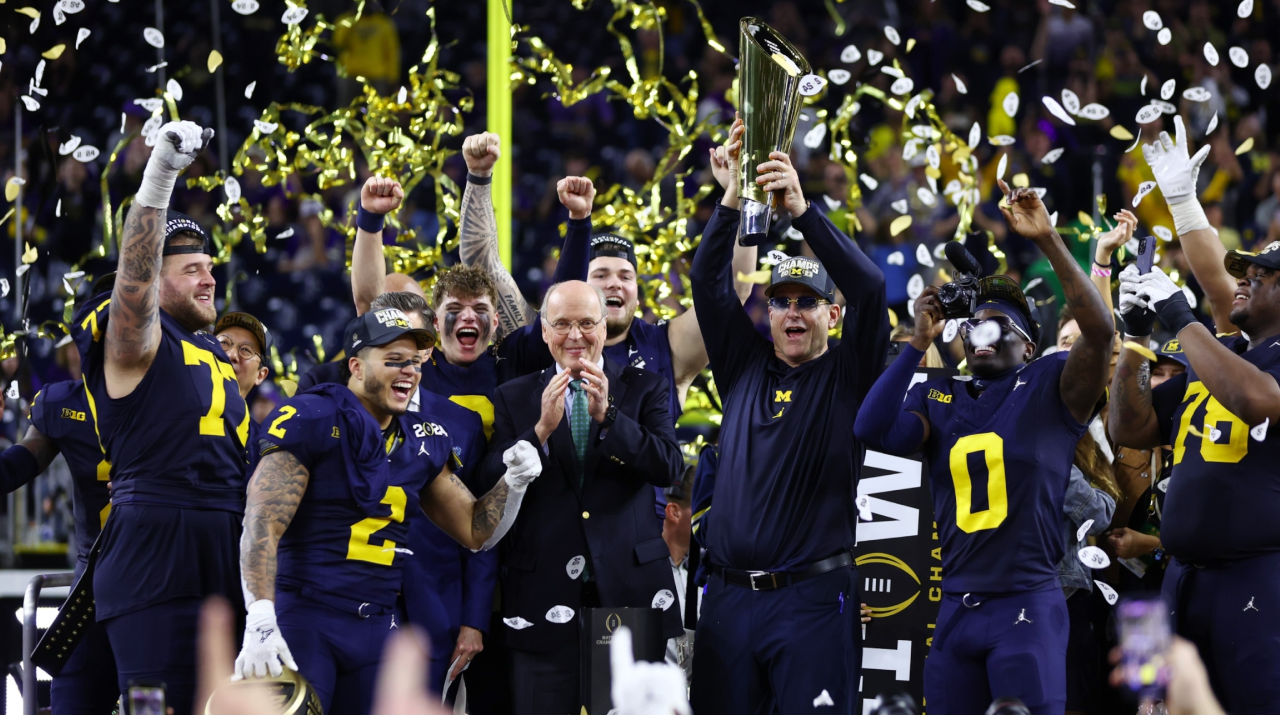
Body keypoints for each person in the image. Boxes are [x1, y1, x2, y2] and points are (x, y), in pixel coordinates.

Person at [855, 180, 1114, 714]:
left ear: (1028, 343)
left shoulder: (1051, 383)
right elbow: (871, 428)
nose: (982, 331)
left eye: (999, 322)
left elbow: (1100, 328)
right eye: (975, 322)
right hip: (955, 606)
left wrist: (1047, 240)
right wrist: (918, 342)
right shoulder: (937, 392)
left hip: (1027, 602)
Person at [234, 308, 543, 714]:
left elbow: (474, 530)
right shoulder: (313, 416)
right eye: (394, 360)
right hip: (307, 617)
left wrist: (514, 483)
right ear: (356, 366)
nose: (409, 371)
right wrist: (259, 616)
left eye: (414, 362)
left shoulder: (423, 438)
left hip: (379, 625)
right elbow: (260, 524)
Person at [688, 143, 888, 714]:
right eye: (781, 302)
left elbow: (871, 287)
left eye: (809, 302)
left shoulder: (852, 373)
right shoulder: (744, 365)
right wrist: (732, 196)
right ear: (768, 312)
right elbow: (708, 280)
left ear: (834, 313)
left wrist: (802, 210)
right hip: (726, 599)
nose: (793, 314)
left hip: (813, 601)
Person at [69, 121, 248, 715]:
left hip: (224, 540)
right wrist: (160, 177)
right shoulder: (136, 342)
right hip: (154, 551)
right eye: (191, 268)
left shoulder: (214, 351)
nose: (209, 276)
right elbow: (136, 281)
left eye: (210, 265)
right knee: (154, 708)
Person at [481, 280, 685, 715]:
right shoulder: (514, 396)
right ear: (543, 330)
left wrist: (609, 416)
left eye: (587, 323)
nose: (575, 336)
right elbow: (487, 485)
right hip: (541, 598)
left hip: (628, 594)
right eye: (562, 324)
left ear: (604, 324)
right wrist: (538, 432)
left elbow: (669, 465)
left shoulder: (646, 387)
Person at [1109, 246, 1280, 713]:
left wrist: (1182, 318)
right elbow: (1128, 428)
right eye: (1243, 272)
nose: (1245, 280)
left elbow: (1258, 401)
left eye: (1263, 275)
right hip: (1176, 578)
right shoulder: (1220, 355)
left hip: (1257, 577)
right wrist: (1137, 335)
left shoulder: (1230, 360)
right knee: (1154, 705)